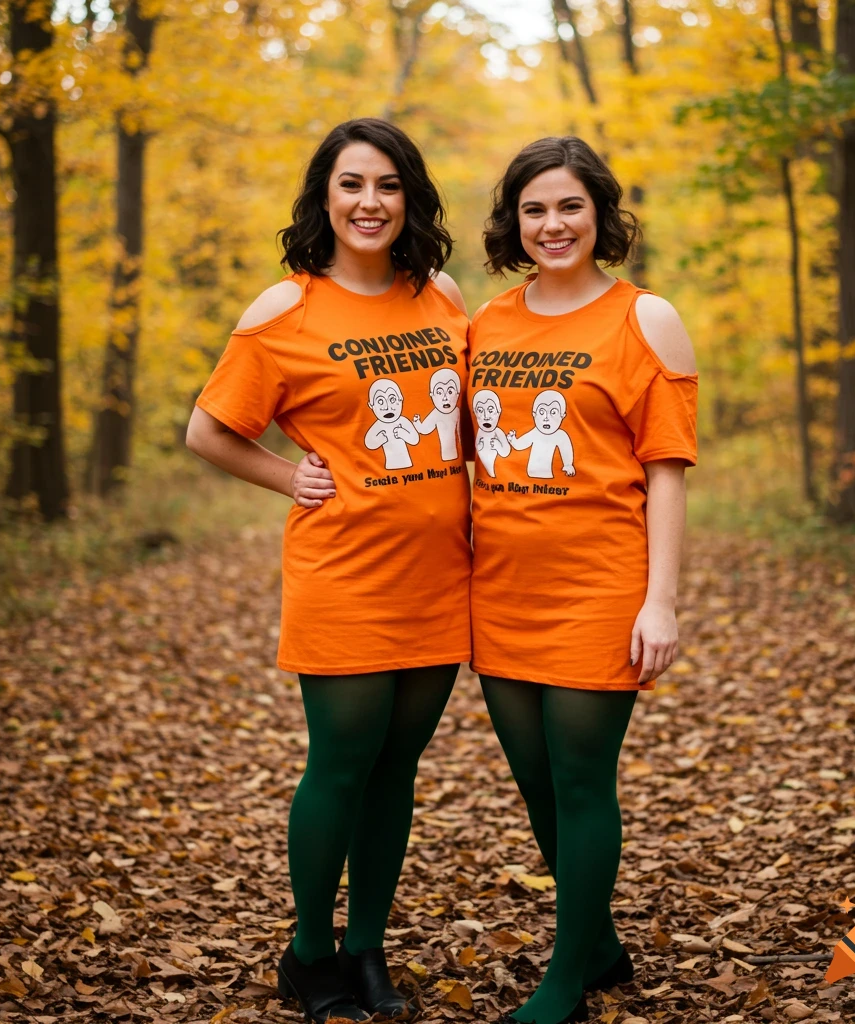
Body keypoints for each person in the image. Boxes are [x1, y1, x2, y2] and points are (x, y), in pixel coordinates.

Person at [185, 118, 471, 1024]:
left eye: (388, 185)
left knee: (397, 769)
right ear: (324, 197)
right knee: (342, 764)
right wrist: (287, 475)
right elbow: (208, 430)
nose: (370, 203)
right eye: (351, 184)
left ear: (410, 197)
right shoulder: (285, 309)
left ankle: (367, 950)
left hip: (441, 574)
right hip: (345, 572)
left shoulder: (440, 294)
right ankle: (309, 954)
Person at [468, 136, 698, 1024]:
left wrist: (660, 600)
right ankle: (597, 943)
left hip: (599, 586)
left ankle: (566, 981)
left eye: (570, 205)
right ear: (514, 221)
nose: (552, 224)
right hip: (500, 588)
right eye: (534, 209)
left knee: (580, 781)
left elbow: (666, 470)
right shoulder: (488, 323)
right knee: (535, 783)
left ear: (600, 212)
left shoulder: (646, 319)